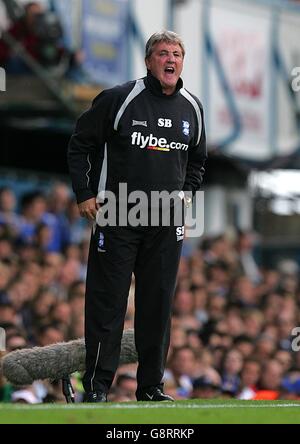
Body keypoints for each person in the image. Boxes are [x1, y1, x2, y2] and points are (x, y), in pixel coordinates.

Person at [68, 30, 207, 402]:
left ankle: (150, 387)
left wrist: (188, 197)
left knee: (158, 306)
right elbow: (81, 143)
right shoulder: (119, 98)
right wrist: (85, 193)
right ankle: (97, 389)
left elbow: (197, 162)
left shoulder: (192, 107)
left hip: (166, 222)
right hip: (117, 215)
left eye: (177, 53)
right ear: (149, 61)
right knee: (107, 304)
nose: (171, 59)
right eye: (163, 53)